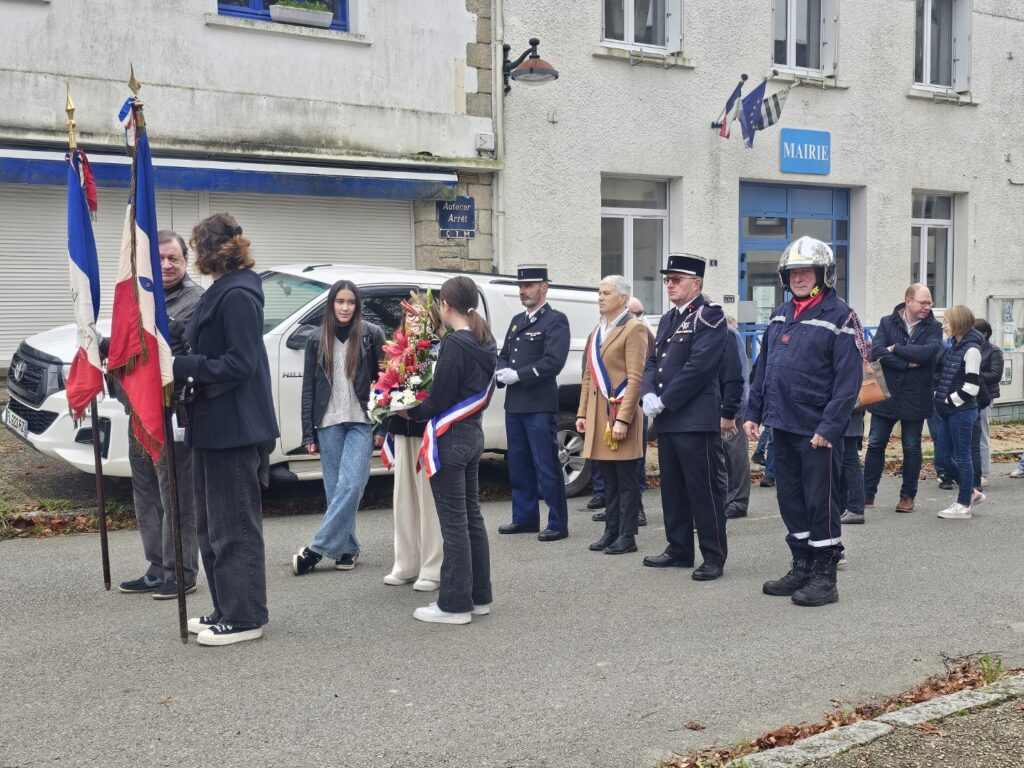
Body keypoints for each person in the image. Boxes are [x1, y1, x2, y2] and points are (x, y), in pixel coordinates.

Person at [173, 213, 279, 646]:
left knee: (233, 525)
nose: (194, 256)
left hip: (234, 425)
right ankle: (225, 606)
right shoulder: (224, 289)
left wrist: (183, 367)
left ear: (208, 251)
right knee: (211, 526)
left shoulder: (238, 294)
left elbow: (241, 363)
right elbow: (197, 339)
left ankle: (245, 616)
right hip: (211, 422)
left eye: (196, 248)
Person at [743, 237, 861, 607]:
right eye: (793, 272)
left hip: (817, 432)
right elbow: (764, 369)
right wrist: (753, 413)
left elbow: (848, 381)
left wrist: (829, 428)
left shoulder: (842, 316)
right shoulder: (780, 313)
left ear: (823, 275)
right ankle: (801, 565)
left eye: (805, 271)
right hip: (783, 424)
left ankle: (825, 576)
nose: (798, 278)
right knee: (790, 499)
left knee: (820, 501)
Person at [116, 230, 204, 599]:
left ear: (186, 261)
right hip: (138, 412)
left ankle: (181, 571)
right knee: (146, 493)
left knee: (176, 497)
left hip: (172, 412)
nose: (167, 265)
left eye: (174, 259)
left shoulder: (196, 302)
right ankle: (157, 566)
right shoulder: (140, 296)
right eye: (160, 259)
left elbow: (192, 358)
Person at [405, 276, 497, 624]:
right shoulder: (484, 340)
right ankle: (479, 596)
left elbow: (439, 400)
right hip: (473, 435)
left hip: (451, 438)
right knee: (472, 517)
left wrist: (405, 411)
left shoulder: (457, 345)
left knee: (454, 522)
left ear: (445, 305)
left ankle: (454, 604)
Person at [641, 254, 729, 581]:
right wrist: (648, 393)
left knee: (703, 490)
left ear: (697, 283)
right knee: (673, 488)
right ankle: (678, 547)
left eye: (677, 279)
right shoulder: (667, 319)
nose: (670, 284)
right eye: (667, 279)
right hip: (668, 418)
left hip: (694, 418)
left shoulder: (710, 316)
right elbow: (652, 362)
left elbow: (699, 367)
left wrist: (665, 399)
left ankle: (713, 555)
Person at [291, 280, 386, 576]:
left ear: (357, 306)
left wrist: (382, 426)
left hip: (362, 420)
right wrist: (308, 432)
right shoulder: (317, 338)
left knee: (353, 485)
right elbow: (308, 387)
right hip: (328, 423)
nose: (345, 307)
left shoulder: (371, 334)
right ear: (331, 304)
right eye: (340, 302)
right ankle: (347, 548)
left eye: (351, 302)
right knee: (335, 492)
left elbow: (384, 384)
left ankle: (315, 549)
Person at [495, 265, 571, 542]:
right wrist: (501, 371)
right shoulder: (517, 320)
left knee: (546, 464)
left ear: (544, 287)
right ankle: (525, 517)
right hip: (515, 404)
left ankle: (557, 522)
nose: (523, 290)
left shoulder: (555, 320)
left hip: (538, 403)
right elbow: (504, 354)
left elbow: (553, 361)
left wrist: (520, 375)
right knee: (518, 464)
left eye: (528, 286)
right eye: (520, 286)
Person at [577, 276, 648, 554]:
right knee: (608, 479)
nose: (600, 297)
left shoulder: (634, 329)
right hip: (599, 414)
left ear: (622, 298)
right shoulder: (598, 330)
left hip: (619, 413)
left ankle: (627, 536)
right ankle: (611, 530)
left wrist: (623, 419)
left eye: (606, 293)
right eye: (599, 292)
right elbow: (587, 376)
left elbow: (635, 378)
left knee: (626, 480)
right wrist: (582, 412)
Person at [862, 284, 943, 514]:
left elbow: (928, 354)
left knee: (911, 447)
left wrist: (896, 347)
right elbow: (877, 352)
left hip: (916, 397)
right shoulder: (888, 322)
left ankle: (907, 496)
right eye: (923, 302)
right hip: (885, 396)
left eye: (929, 303)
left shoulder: (934, 328)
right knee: (876, 444)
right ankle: (867, 493)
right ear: (908, 301)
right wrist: (908, 362)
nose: (928, 307)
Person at [382, 298, 444, 592]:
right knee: (403, 498)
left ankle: (432, 568)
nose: (415, 321)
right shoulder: (397, 348)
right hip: (401, 429)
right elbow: (386, 383)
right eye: (410, 316)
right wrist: (385, 402)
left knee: (427, 500)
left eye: (421, 316)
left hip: (426, 430)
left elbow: (438, 391)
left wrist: (415, 405)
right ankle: (406, 562)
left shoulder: (437, 348)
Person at [592, 296, 654, 527]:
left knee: (632, 466)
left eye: (640, 312)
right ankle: (613, 513)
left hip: (630, 403)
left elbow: (641, 372)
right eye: (634, 312)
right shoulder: (601, 330)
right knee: (609, 469)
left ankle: (635, 511)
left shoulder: (640, 331)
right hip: (606, 404)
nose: (638, 316)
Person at [931, 305, 984, 520]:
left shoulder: (972, 350)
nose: (943, 325)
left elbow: (972, 386)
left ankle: (964, 505)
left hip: (962, 412)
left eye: (947, 321)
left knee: (962, 457)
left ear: (958, 323)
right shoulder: (954, 346)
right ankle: (970, 492)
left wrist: (948, 400)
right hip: (949, 411)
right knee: (943, 458)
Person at [721, 316, 750, 520]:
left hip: (732, 406)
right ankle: (724, 499)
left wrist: (737, 407)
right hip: (713, 406)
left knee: (735, 454)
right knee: (722, 456)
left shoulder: (730, 334)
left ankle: (738, 501)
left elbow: (741, 371)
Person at [971, 319, 1004, 490]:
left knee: (982, 434)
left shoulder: (994, 351)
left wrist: (974, 374)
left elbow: (996, 375)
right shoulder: (970, 348)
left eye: (975, 331)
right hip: (969, 396)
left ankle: (984, 473)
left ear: (985, 333)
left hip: (985, 396)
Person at [838, 409, 866, 526]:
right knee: (846, 461)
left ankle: (855, 509)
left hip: (846, 414)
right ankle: (844, 507)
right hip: (849, 415)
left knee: (849, 460)